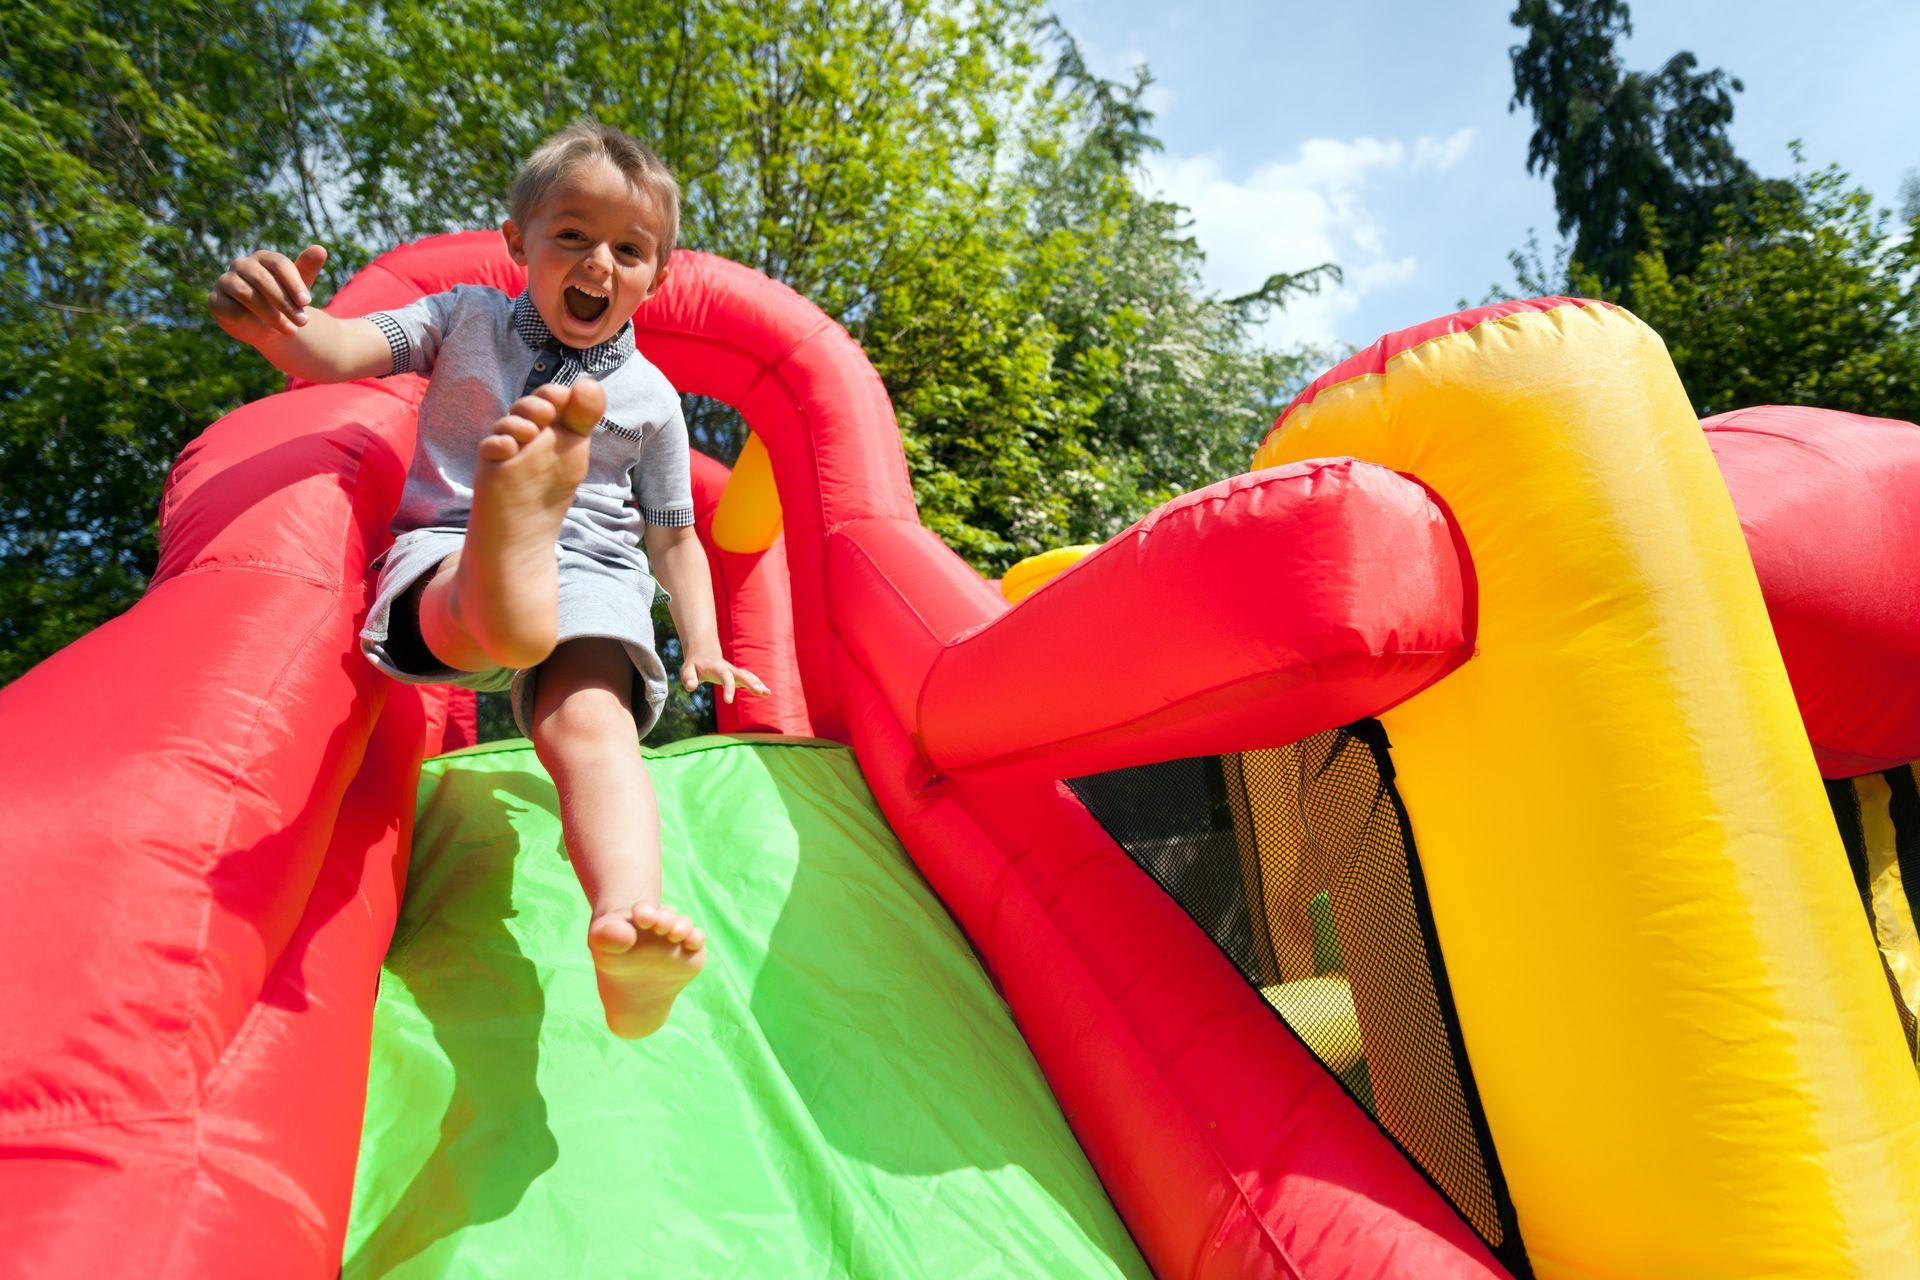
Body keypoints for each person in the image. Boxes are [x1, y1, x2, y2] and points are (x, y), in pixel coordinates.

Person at [209, 121, 766, 1038]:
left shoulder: (654, 402)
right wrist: (280, 323)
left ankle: (624, 919)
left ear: (657, 276)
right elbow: (339, 350)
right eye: (572, 234)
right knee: (495, 623)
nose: (599, 262)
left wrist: (704, 642)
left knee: (590, 721)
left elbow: (674, 541)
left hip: (587, 567)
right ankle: (504, 556)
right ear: (518, 242)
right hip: (453, 537)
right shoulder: (457, 316)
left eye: (629, 248)